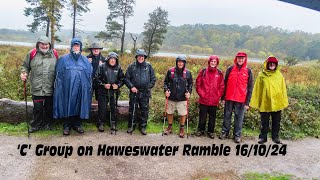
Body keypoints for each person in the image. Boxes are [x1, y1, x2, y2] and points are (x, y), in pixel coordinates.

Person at [53, 38, 92, 135]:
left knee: (79, 105)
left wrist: (87, 88)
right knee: (68, 104)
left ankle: (77, 124)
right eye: (74, 45)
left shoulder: (85, 60)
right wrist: (60, 88)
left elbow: (89, 75)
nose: (76, 47)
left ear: (80, 47)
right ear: (71, 46)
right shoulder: (63, 59)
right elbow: (58, 75)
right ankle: (67, 125)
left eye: (77, 45)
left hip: (81, 88)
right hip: (67, 88)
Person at [20, 36, 58, 133]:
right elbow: (25, 66)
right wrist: (24, 73)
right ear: (38, 44)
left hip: (50, 86)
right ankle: (36, 125)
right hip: (37, 86)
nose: (44, 46)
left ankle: (48, 124)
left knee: (49, 107)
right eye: (42, 44)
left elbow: (59, 68)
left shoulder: (55, 54)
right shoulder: (32, 53)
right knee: (37, 108)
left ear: (49, 44)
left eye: (46, 44)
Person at [250, 56, 288, 144]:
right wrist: (256, 102)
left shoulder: (279, 75)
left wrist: (283, 101)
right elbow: (257, 89)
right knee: (264, 122)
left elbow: (283, 89)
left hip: (277, 102)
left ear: (276, 65)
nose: (272, 65)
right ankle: (263, 138)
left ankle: (276, 137)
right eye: (270, 63)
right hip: (265, 102)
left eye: (273, 64)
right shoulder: (261, 75)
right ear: (267, 64)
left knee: (276, 121)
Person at [219, 52, 253, 143]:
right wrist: (223, 97)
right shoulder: (230, 69)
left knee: (239, 118)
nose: (240, 60)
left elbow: (250, 87)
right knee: (227, 116)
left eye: (242, 58)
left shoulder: (248, 71)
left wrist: (247, 102)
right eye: (239, 58)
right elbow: (225, 84)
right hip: (229, 98)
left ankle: (237, 135)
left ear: (245, 59)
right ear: (236, 59)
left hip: (241, 99)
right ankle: (224, 132)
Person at [125, 49, 156, 135]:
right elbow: (126, 78)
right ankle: (131, 126)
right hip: (134, 92)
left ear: (144, 57)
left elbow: (153, 79)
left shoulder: (149, 66)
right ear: (136, 57)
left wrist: (148, 87)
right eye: (139, 56)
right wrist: (131, 87)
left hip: (145, 92)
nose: (141, 58)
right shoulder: (132, 66)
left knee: (144, 110)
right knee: (133, 109)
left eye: (142, 56)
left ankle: (142, 127)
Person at [163, 55, 193, 138]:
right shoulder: (170, 71)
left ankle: (182, 128)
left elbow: (190, 84)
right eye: (179, 62)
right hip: (171, 96)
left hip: (182, 97)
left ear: (184, 63)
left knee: (183, 113)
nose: (180, 63)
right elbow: (165, 82)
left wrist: (189, 92)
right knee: (169, 112)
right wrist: (166, 90)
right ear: (176, 62)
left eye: (182, 62)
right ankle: (169, 127)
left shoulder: (188, 73)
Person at [195, 55, 224, 139]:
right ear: (209, 62)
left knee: (212, 117)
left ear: (217, 63)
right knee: (202, 116)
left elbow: (222, 86)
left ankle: (211, 131)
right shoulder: (203, 72)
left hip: (214, 100)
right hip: (204, 99)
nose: (213, 63)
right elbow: (198, 84)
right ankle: (200, 130)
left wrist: (218, 95)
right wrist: (201, 94)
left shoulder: (219, 73)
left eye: (215, 62)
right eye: (212, 61)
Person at [95, 52, 125, 133]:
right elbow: (96, 78)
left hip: (114, 92)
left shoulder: (118, 68)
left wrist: (118, 85)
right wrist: (103, 84)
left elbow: (122, 79)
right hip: (103, 91)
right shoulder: (102, 66)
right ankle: (100, 124)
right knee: (102, 108)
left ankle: (113, 124)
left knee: (113, 108)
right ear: (108, 59)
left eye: (114, 59)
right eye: (111, 59)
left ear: (116, 60)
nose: (112, 60)